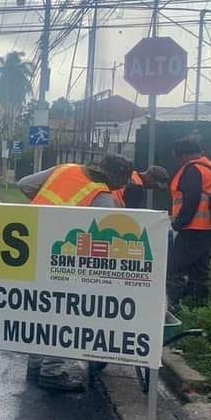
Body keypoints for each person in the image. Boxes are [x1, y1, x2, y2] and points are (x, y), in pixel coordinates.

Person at [19, 155, 133, 391]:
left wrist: (48, 213)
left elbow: (24, 184)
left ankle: (35, 365)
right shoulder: (102, 195)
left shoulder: (64, 169)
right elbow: (107, 232)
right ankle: (52, 372)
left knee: (41, 310)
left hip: (34, 245)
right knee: (64, 313)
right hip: (65, 257)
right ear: (115, 178)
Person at [167, 135, 211, 305]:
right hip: (210, 230)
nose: (177, 161)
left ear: (184, 154)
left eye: (177, 156)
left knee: (173, 269)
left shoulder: (192, 170)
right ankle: (197, 307)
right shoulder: (210, 168)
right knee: (199, 272)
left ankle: (172, 306)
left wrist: (178, 224)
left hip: (193, 230)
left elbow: (191, 200)